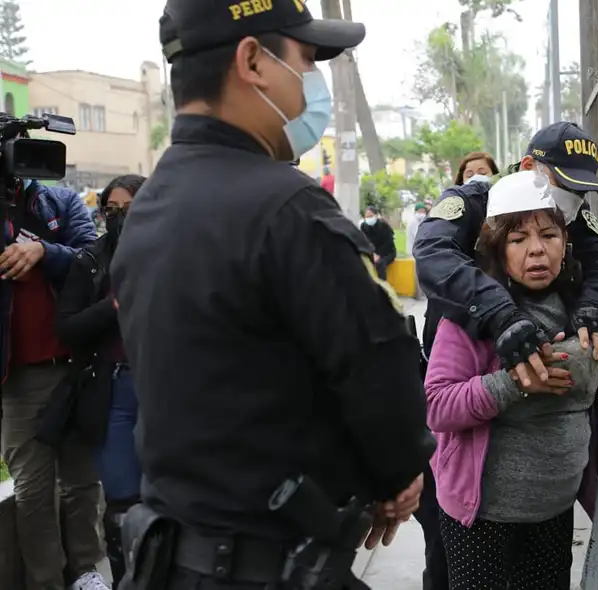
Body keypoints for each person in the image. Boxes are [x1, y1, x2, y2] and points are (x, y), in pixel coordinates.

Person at [110, 1, 435, 588]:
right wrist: (396, 475)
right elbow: (376, 367)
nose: (311, 81)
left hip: (173, 560)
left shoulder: (151, 203)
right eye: (305, 59)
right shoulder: (288, 208)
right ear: (253, 61)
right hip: (266, 565)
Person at [412, 121, 598, 590]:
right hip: (475, 491)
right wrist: (502, 320)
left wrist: (597, 317)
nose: (538, 248)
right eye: (519, 240)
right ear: (530, 168)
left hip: (551, 506)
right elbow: (430, 253)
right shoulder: (474, 204)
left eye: (550, 235)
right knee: (443, 562)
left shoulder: (567, 220)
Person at [0, 178, 106, 590]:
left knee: (82, 482)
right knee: (33, 490)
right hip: (18, 376)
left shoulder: (59, 201)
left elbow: (94, 256)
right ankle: (46, 581)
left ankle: (87, 574)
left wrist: (45, 250)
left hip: (76, 366)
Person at [55, 174, 146, 590]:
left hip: (166, 392)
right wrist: (114, 304)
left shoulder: (172, 255)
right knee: (123, 504)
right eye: (111, 210)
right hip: (113, 391)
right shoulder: (90, 259)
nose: (119, 218)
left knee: (173, 499)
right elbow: (69, 328)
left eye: (128, 209)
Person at [360, 205, 397, 280]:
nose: (369, 218)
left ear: (376, 216)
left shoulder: (384, 226)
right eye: (367, 216)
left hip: (387, 252)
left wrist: (378, 254)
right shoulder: (363, 227)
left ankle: (382, 286)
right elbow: (364, 242)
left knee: (380, 263)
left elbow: (388, 243)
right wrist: (372, 253)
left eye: (371, 216)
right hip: (372, 252)